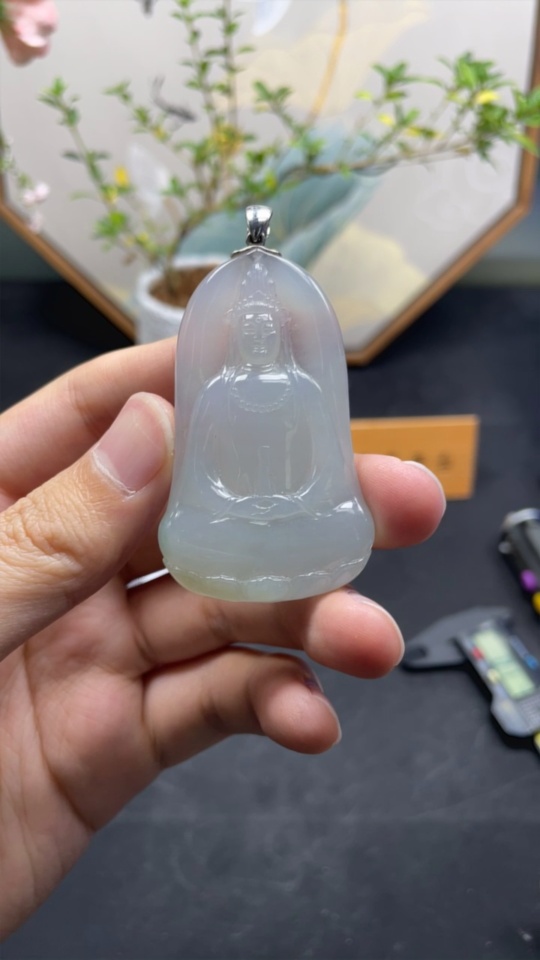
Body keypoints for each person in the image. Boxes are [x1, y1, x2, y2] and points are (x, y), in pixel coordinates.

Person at [0, 337, 446, 939]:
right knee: (187, 528)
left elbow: (323, 466)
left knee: (342, 517)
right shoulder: (214, 394)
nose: (259, 335)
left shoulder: (303, 389)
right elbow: (202, 471)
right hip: (225, 512)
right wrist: (237, 501)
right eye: (249, 327)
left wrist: (288, 500)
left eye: (268, 327)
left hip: (295, 509)